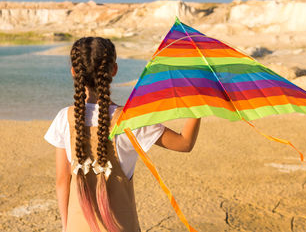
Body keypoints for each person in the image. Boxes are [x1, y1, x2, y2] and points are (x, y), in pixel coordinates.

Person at [44, 37, 201, 232]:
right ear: (114, 70)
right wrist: (199, 101)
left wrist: (66, 227)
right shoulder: (130, 121)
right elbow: (184, 143)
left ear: (74, 72)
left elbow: (62, 180)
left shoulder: (64, 118)